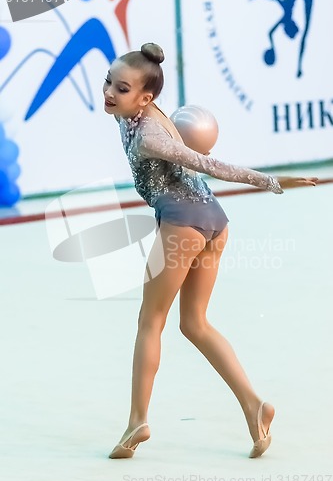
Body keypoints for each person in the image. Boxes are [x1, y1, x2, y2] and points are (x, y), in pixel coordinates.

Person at [103, 43, 318, 459]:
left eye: (122, 88)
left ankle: (137, 422)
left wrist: (274, 182)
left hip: (185, 222)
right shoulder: (137, 113)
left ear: (146, 98)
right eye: (108, 81)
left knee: (151, 321)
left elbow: (210, 165)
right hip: (214, 222)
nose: (110, 92)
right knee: (195, 323)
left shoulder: (149, 134)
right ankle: (256, 407)